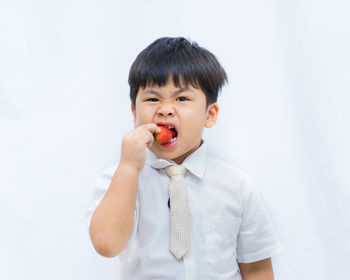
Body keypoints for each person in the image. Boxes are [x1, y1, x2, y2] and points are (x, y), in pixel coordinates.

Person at [86, 37, 282, 279]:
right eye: (152, 99)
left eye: (182, 99)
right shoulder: (119, 179)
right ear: (135, 114)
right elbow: (106, 245)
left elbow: (257, 268)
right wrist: (128, 167)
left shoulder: (236, 184)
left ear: (209, 115)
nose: (165, 109)